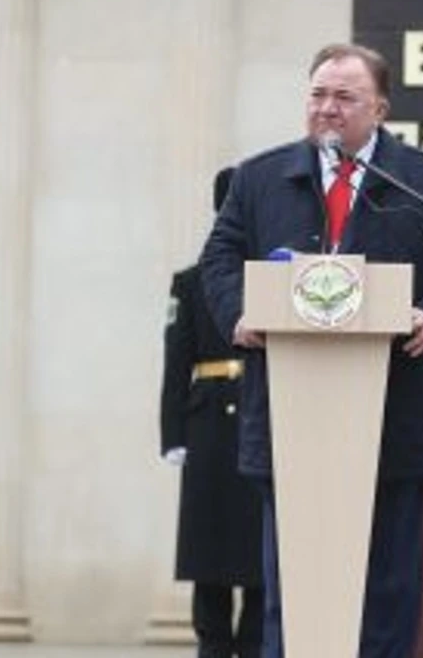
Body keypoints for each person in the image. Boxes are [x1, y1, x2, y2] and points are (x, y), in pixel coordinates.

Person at [198, 42, 423, 658]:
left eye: (344, 97)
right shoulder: (258, 179)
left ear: (379, 109)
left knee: (387, 588)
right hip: (290, 420)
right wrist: (239, 313)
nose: (327, 109)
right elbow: (220, 258)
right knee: (293, 585)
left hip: (392, 418)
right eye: (318, 95)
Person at [160, 166, 263, 658]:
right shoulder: (192, 280)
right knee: (210, 552)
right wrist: (172, 434)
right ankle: (214, 647)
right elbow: (175, 361)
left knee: (260, 551)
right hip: (209, 428)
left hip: (264, 419)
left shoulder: (274, 276)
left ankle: (256, 644)